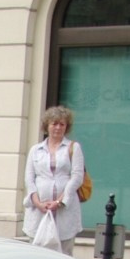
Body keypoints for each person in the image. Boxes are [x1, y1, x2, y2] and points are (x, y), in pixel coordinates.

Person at [24, 105, 86, 251]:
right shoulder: (35, 150)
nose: (58, 128)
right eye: (54, 123)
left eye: (62, 124)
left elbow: (77, 176)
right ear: (47, 126)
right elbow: (29, 177)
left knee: (64, 253)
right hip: (39, 210)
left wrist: (60, 201)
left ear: (66, 127)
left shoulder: (73, 148)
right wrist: (37, 202)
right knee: (37, 251)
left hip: (64, 210)